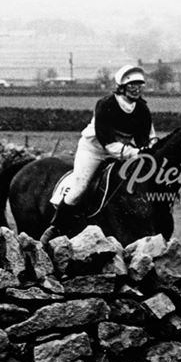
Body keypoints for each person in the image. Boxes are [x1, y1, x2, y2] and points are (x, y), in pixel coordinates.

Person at [40, 64, 157, 243]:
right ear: (122, 86)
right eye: (132, 85)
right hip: (95, 150)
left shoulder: (142, 109)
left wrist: (148, 150)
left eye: (140, 85)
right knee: (79, 188)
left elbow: (147, 137)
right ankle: (56, 227)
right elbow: (107, 141)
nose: (136, 89)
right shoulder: (106, 104)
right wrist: (135, 153)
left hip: (124, 153)